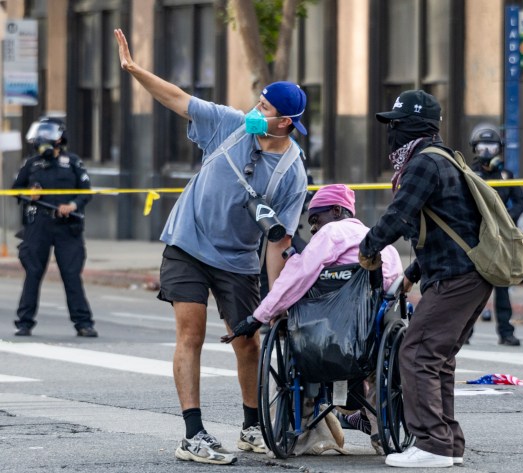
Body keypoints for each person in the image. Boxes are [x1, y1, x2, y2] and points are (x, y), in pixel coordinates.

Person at [114, 29, 309, 464]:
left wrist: (275, 299)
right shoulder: (229, 123)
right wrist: (134, 70)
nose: (255, 112)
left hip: (238, 259)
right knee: (191, 332)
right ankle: (193, 433)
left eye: (265, 109)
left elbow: (279, 242)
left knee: (248, 343)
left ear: (286, 123)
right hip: (187, 241)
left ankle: (252, 427)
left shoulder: (293, 174)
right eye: (257, 104)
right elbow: (178, 99)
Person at [358, 90, 493, 468]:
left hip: (457, 277)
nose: (392, 133)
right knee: (438, 358)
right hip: (467, 274)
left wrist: (367, 249)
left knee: (415, 352)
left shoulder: (423, 164)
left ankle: (432, 444)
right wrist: (411, 275)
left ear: (415, 127)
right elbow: (451, 225)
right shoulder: (446, 159)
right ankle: (449, 444)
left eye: (397, 125)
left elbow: (399, 215)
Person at [228, 183, 403, 455]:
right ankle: (381, 433)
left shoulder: (333, 232)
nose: (312, 228)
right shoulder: (381, 241)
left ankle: (304, 423)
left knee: (299, 331)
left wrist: (259, 315)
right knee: (381, 361)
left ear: (336, 211)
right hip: (369, 339)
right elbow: (394, 287)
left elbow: (297, 276)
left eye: (315, 218)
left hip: (323, 339)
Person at [11, 117, 97, 338]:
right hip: (39, 224)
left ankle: (83, 323)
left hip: (68, 226)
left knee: (71, 274)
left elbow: (86, 191)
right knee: (33, 273)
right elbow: (16, 189)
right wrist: (29, 194)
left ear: (60, 138)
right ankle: (24, 322)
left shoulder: (73, 162)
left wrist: (73, 205)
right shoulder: (31, 163)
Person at [469, 123, 523, 346]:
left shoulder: (505, 175)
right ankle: (465, 332)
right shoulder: (469, 173)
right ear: (474, 148)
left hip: (501, 239)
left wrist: (508, 218)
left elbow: (520, 200)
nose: (487, 151)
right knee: (472, 288)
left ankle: (506, 331)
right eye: (482, 146)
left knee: (502, 286)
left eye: (491, 146)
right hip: (477, 237)